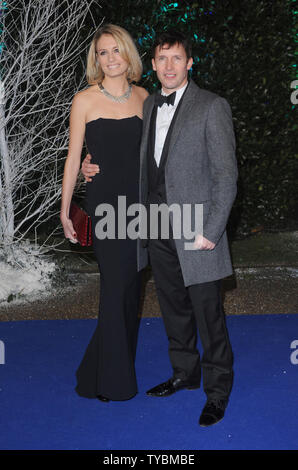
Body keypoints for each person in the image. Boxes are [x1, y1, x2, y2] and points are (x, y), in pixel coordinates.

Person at [82, 30, 238, 426]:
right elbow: (124, 153)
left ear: (189, 63)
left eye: (176, 59)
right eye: (161, 59)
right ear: (152, 64)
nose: (168, 66)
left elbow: (226, 174)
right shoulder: (149, 104)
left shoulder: (212, 106)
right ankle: (184, 374)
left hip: (196, 227)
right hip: (155, 224)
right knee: (173, 308)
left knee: (208, 312)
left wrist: (213, 229)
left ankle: (217, 392)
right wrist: (89, 163)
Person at [60, 24, 148, 402]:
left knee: (131, 288)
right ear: (95, 59)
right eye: (102, 52)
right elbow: (73, 157)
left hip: (142, 206)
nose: (110, 58)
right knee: (115, 287)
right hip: (105, 205)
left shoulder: (147, 97)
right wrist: (66, 209)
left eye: (116, 50)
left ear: (128, 54)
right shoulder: (84, 100)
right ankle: (114, 382)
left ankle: (97, 366)